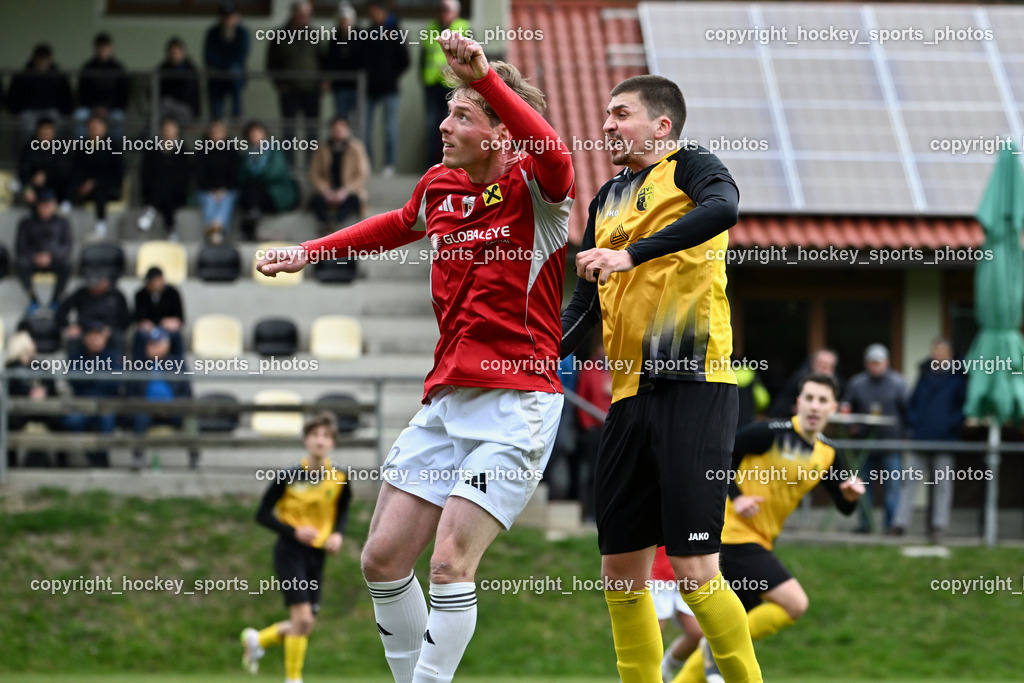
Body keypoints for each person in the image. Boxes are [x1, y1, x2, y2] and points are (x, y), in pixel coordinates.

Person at [257, 31, 573, 683]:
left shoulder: (537, 193)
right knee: (381, 558)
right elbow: (394, 225)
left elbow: (558, 154)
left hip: (518, 406)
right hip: (446, 401)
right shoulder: (440, 187)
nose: (444, 123)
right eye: (448, 110)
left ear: (499, 132)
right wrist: (309, 251)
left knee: (451, 562)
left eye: (463, 115)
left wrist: (486, 79)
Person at [559, 75, 761, 682]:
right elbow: (584, 303)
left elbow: (725, 209)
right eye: (606, 114)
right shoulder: (605, 199)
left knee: (696, 569)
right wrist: (538, 356)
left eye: (621, 114)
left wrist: (632, 254)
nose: (608, 124)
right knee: (621, 573)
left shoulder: (693, 165)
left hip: (695, 384)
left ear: (662, 126)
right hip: (627, 396)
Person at [673, 374, 865, 683]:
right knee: (794, 603)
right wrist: (738, 498)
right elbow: (721, 457)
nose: (815, 406)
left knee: (735, 624)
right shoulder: (771, 433)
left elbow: (844, 507)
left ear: (834, 408)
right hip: (733, 537)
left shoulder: (828, 453)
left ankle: (694, 665)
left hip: (760, 543)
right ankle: (716, 643)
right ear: (798, 403)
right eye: (810, 398)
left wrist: (850, 496)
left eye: (822, 400)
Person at [242, 412, 352, 683]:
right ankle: (293, 680)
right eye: (315, 435)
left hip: (317, 556)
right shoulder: (290, 475)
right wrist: (294, 532)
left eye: (326, 436)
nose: (320, 440)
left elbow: (343, 511)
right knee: (302, 620)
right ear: (306, 440)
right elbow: (262, 514)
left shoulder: (340, 478)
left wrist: (338, 534)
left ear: (332, 443)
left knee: (304, 625)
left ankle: (257, 639)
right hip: (289, 552)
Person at [894, 338, 966, 542]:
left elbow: (962, 407)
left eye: (942, 351)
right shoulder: (924, 375)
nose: (938, 355)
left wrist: (950, 424)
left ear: (949, 354)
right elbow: (914, 403)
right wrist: (914, 424)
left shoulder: (958, 378)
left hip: (946, 439)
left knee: (942, 485)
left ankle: (938, 526)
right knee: (909, 482)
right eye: (935, 351)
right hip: (920, 437)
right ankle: (900, 523)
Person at [842, 343, 906, 534]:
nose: (875, 366)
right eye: (872, 363)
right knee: (862, 486)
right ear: (866, 363)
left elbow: (907, 412)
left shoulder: (898, 383)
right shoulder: (857, 383)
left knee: (892, 487)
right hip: (864, 443)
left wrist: (905, 436)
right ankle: (865, 524)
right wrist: (849, 427)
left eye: (878, 363)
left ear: (886, 362)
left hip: (890, 443)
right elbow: (846, 407)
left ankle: (890, 525)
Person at [127, 327, 197, 470]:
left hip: (173, 410)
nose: (152, 348)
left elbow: (187, 393)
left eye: (156, 344)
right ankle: (138, 458)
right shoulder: (138, 366)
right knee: (139, 416)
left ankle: (194, 458)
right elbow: (131, 393)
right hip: (146, 410)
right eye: (150, 344)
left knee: (190, 417)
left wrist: (172, 407)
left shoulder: (178, 365)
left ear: (167, 345)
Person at [63, 321, 123, 467]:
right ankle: (92, 455)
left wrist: (89, 377)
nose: (95, 340)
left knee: (107, 420)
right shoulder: (76, 356)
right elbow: (73, 381)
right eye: (92, 337)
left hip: (107, 403)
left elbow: (115, 383)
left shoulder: (113, 356)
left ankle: (101, 458)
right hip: (83, 404)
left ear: (105, 338)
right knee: (72, 421)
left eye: (99, 337)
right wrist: (100, 377)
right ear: (85, 338)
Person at [266, 1, 321, 158]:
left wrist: (322, 82)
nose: (306, 19)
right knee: (289, 130)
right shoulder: (279, 35)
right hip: (289, 91)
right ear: (294, 15)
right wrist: (280, 85)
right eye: (303, 15)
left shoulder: (314, 35)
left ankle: (312, 165)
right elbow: (271, 64)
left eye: (308, 16)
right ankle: (289, 165)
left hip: (311, 90)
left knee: (312, 130)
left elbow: (321, 60)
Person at [362, 0, 410, 175]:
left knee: (390, 128)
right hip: (370, 89)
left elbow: (405, 61)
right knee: (364, 129)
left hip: (390, 89)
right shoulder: (368, 33)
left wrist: (391, 75)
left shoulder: (396, 32)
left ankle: (389, 164)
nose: (371, 15)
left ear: (382, 11)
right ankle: (366, 164)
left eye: (374, 11)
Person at [421, 0, 471, 167]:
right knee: (431, 124)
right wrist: (423, 79)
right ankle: (431, 163)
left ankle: (449, 162)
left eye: (446, 10)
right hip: (432, 84)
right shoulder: (431, 28)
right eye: (441, 10)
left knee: (452, 124)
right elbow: (423, 56)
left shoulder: (463, 27)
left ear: (455, 12)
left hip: (452, 84)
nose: (443, 13)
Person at [5, 331, 61, 468]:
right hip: (19, 412)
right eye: (31, 341)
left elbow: (52, 388)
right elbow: (10, 391)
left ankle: (61, 464)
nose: (34, 344)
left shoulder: (40, 365)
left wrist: (45, 391)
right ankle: (10, 465)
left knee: (61, 421)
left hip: (42, 410)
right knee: (9, 423)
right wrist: (28, 394)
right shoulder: (9, 368)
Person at [15, 188, 73, 314]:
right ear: (38, 206)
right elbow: (20, 245)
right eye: (43, 205)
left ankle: (56, 299)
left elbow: (67, 246)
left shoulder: (62, 223)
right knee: (20, 263)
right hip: (33, 259)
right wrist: (35, 256)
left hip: (54, 259)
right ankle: (33, 299)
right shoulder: (26, 222)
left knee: (67, 264)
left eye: (49, 205)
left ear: (54, 205)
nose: (46, 208)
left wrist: (51, 256)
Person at [238, 120, 299, 240]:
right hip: (257, 195)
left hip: (277, 195)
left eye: (258, 132)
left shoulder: (274, 150)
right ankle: (252, 217)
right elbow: (241, 176)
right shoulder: (248, 154)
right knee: (248, 188)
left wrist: (257, 176)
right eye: (252, 133)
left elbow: (277, 172)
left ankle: (253, 216)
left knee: (254, 184)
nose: (255, 136)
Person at [67, 113, 124, 238]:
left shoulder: (113, 146)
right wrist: (83, 184)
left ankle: (100, 225)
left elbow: (118, 173)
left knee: (101, 186)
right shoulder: (82, 146)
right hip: (84, 189)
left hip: (108, 189)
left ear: (105, 128)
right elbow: (76, 169)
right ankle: (67, 202)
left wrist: (94, 182)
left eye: (97, 127)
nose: (94, 130)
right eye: (92, 128)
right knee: (73, 174)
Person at [650, 546, 702, 683]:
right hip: (656, 573)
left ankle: (664, 667)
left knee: (698, 633)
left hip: (687, 573)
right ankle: (631, 678)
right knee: (652, 634)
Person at [308, 116, 368, 233]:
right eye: (335, 127)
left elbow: (362, 174)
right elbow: (314, 173)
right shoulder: (322, 148)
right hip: (328, 190)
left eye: (342, 126)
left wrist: (346, 190)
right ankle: (326, 223)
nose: (338, 129)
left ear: (348, 130)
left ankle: (335, 222)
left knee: (354, 199)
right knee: (316, 199)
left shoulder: (356, 148)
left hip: (348, 190)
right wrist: (325, 190)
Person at [6, 43, 73, 140]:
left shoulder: (58, 77)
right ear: (35, 59)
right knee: (26, 126)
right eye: (40, 59)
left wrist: (65, 111)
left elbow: (66, 97)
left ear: (50, 59)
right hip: (29, 111)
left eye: (45, 59)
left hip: (51, 111)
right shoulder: (23, 76)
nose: (42, 62)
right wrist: (17, 110)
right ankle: (28, 151)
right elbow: (13, 98)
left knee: (58, 126)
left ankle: (58, 152)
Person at [138, 117, 192, 238]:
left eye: (171, 128)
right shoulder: (152, 148)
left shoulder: (183, 150)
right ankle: (172, 230)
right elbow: (146, 172)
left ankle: (150, 211)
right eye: (166, 128)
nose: (168, 131)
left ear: (177, 130)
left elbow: (185, 174)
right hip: (153, 190)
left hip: (176, 192)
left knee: (167, 187)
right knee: (162, 187)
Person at [195, 119, 241, 244]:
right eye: (214, 131)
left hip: (227, 189)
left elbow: (235, 174)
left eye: (220, 131)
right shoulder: (202, 151)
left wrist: (223, 189)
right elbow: (200, 174)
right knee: (209, 199)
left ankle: (215, 227)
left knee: (227, 198)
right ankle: (217, 230)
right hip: (206, 189)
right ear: (209, 134)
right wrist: (212, 189)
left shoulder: (232, 151)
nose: (217, 134)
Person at [74, 33, 128, 138]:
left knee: (119, 117)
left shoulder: (119, 68)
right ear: (95, 49)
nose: (103, 50)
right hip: (91, 108)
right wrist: (95, 108)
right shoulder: (87, 67)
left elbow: (123, 94)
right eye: (100, 47)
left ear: (111, 48)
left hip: (112, 109)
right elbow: (82, 93)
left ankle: (117, 153)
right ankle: (80, 152)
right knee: (79, 116)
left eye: (106, 47)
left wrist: (108, 108)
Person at [57, 272, 131, 348]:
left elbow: (125, 318)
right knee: (73, 338)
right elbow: (61, 311)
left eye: (96, 285)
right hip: (85, 328)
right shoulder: (81, 293)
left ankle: (117, 360)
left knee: (118, 338)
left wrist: (112, 328)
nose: (93, 288)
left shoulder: (117, 295)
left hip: (109, 328)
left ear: (105, 283)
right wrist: (69, 326)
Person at [204, 0, 250, 121]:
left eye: (231, 15)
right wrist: (223, 66)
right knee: (214, 80)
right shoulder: (213, 33)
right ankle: (217, 120)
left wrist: (228, 66)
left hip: (234, 74)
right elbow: (209, 55)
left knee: (234, 72)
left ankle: (236, 114)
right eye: (225, 15)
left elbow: (241, 55)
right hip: (217, 73)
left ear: (237, 16)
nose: (228, 19)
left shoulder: (242, 32)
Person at [767, 348, 839, 418]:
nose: (825, 370)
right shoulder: (804, 379)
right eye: (822, 365)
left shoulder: (832, 383)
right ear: (814, 363)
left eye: (829, 366)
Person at [133, 266, 184, 358]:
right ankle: (137, 367)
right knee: (139, 336)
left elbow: (180, 318)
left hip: (167, 329)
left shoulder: (173, 293)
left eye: (154, 281)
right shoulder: (140, 294)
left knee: (176, 336)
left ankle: (179, 367)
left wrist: (171, 322)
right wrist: (145, 324)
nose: (151, 285)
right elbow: (138, 318)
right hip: (148, 330)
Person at [323, 2, 362, 121]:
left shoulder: (361, 37)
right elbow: (330, 60)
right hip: (340, 86)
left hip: (358, 85)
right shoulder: (335, 39)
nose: (344, 23)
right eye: (342, 20)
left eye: (347, 20)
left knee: (358, 120)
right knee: (341, 118)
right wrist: (328, 79)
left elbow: (365, 60)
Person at [17, 117, 69, 207]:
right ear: (37, 130)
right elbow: (23, 171)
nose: (46, 133)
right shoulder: (28, 148)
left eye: (49, 129)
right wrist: (28, 188)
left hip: (55, 188)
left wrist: (46, 176)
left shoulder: (61, 148)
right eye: (43, 129)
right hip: (33, 188)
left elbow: (63, 172)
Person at [156, 37, 201, 127]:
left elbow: (187, 94)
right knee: (160, 111)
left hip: (186, 110)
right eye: (172, 52)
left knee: (166, 103)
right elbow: (158, 92)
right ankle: (148, 139)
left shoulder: (190, 69)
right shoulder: (163, 69)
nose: (174, 55)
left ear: (183, 53)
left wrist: (172, 96)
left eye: (177, 52)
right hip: (167, 110)